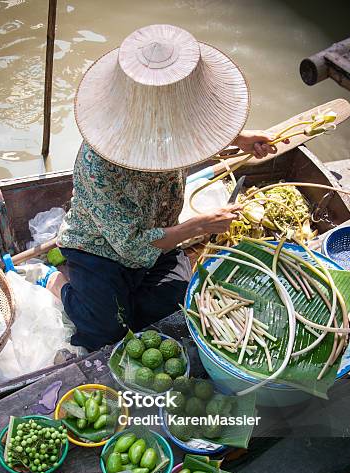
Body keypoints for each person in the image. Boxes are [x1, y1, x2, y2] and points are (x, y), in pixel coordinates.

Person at [45, 24, 287, 351]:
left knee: (175, 309)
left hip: (159, 236)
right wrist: (199, 226)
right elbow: (129, 245)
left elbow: (190, 133)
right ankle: (60, 283)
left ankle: (122, 294)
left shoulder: (175, 126)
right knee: (109, 333)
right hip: (101, 247)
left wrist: (238, 140)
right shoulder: (99, 164)